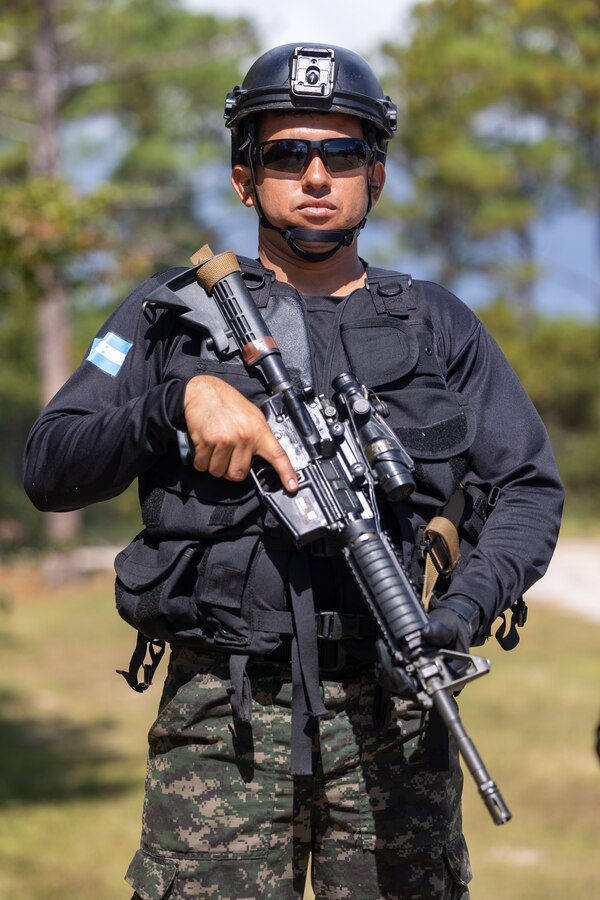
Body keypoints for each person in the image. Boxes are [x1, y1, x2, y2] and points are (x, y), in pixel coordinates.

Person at [23, 42, 564, 900]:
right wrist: (175, 402)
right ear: (247, 179)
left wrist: (458, 613)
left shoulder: (438, 325)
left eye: (342, 153)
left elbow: (528, 489)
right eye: (286, 153)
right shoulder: (169, 317)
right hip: (224, 722)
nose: (316, 174)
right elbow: (50, 465)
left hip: (398, 712)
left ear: (375, 178)